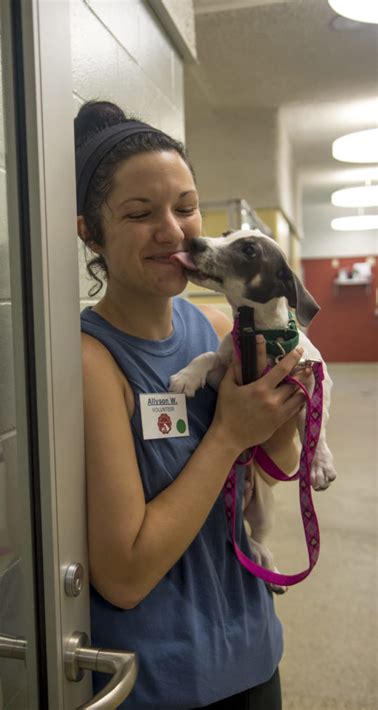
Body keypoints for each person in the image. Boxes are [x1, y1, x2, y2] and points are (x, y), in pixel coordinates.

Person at [76, 100, 308, 709]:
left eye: (185, 207)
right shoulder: (90, 360)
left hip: (255, 650)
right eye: (139, 213)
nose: (176, 233)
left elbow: (280, 460)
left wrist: (282, 399)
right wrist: (229, 433)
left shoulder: (217, 326)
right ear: (89, 232)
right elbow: (124, 576)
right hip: (161, 680)